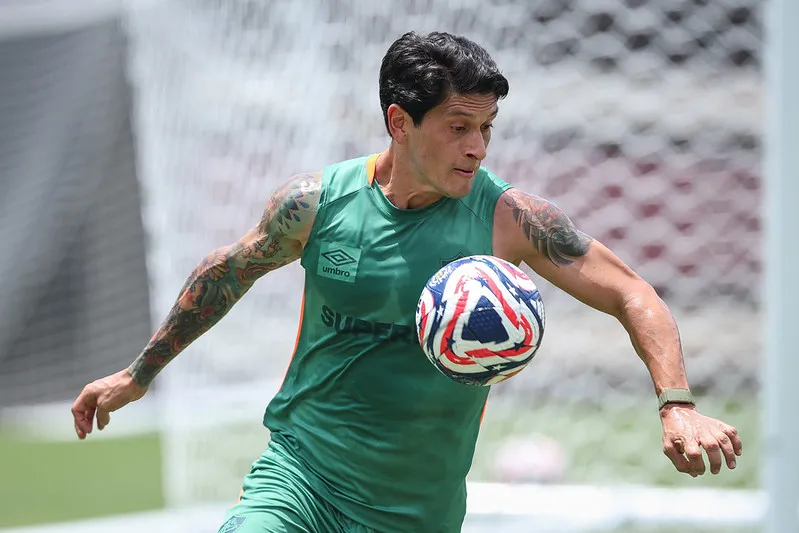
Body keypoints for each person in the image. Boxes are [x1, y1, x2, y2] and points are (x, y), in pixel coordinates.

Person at [71, 31, 743, 533]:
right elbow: (226, 270)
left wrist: (676, 403)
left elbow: (631, 291)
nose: (478, 147)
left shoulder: (508, 219)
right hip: (301, 478)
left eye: (486, 128)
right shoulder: (315, 205)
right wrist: (139, 373)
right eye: (459, 127)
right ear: (400, 122)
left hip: (418, 512)